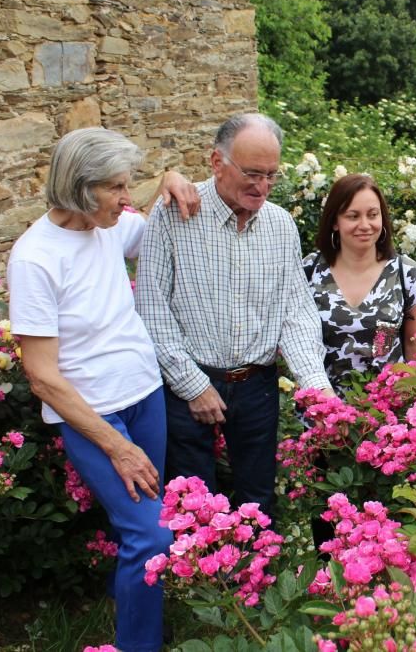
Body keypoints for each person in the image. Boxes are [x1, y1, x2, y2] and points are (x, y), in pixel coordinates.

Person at [7, 127, 198, 652]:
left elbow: (164, 214)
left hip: (145, 395)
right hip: (95, 418)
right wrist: (116, 446)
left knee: (143, 528)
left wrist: (172, 176)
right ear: (78, 188)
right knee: (151, 535)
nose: (125, 199)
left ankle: (146, 615)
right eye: (114, 187)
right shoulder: (35, 257)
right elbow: (42, 376)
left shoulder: (109, 227)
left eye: (129, 183)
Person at [135, 113, 332, 520]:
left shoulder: (280, 226)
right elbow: (152, 310)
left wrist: (316, 389)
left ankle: (258, 583)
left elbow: (295, 312)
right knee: (193, 511)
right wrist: (193, 386)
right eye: (253, 173)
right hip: (186, 387)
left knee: (259, 506)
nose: (262, 186)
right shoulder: (174, 215)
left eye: (272, 175)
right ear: (216, 162)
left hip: (256, 387)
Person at [303, 173, 416, 392]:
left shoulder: (405, 272)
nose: (365, 225)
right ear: (334, 222)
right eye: (353, 216)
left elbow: (413, 344)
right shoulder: (310, 270)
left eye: (372, 215)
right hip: (324, 413)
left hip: (389, 414)